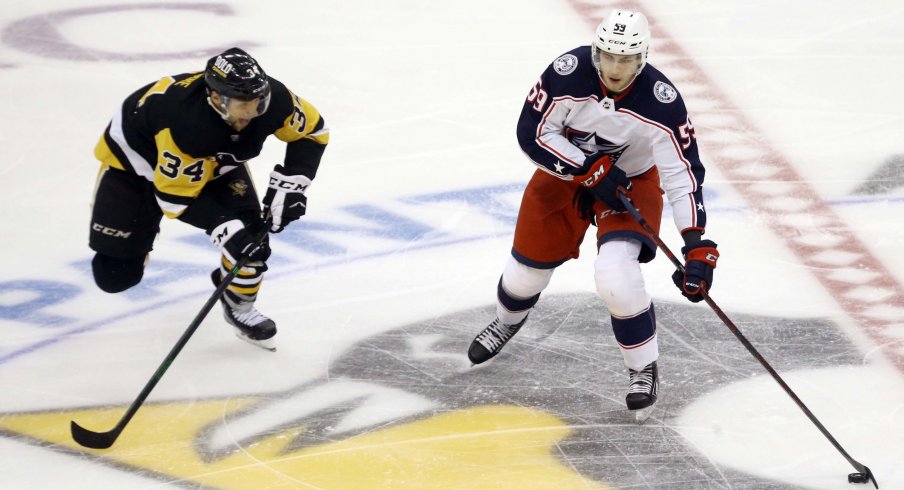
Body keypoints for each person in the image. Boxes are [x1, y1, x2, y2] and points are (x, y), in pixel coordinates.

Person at [467, 10, 719, 419]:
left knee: (616, 276)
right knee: (524, 274)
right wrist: (586, 167)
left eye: (626, 60)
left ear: (642, 60)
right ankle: (507, 320)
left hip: (631, 183)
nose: (615, 68)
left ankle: (643, 368)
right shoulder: (567, 73)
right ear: (595, 50)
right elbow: (531, 133)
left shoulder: (662, 102)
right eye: (607, 56)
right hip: (564, 175)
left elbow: (682, 174)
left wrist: (696, 242)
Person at [89, 47, 329, 351]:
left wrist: (293, 183)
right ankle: (136, 237)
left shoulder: (274, 101)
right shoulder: (186, 125)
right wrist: (224, 228)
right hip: (134, 169)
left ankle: (238, 305)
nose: (252, 114)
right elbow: (174, 198)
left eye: (258, 103)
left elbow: (313, 132)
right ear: (216, 98)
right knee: (115, 277)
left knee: (251, 244)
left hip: (212, 164)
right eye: (243, 106)